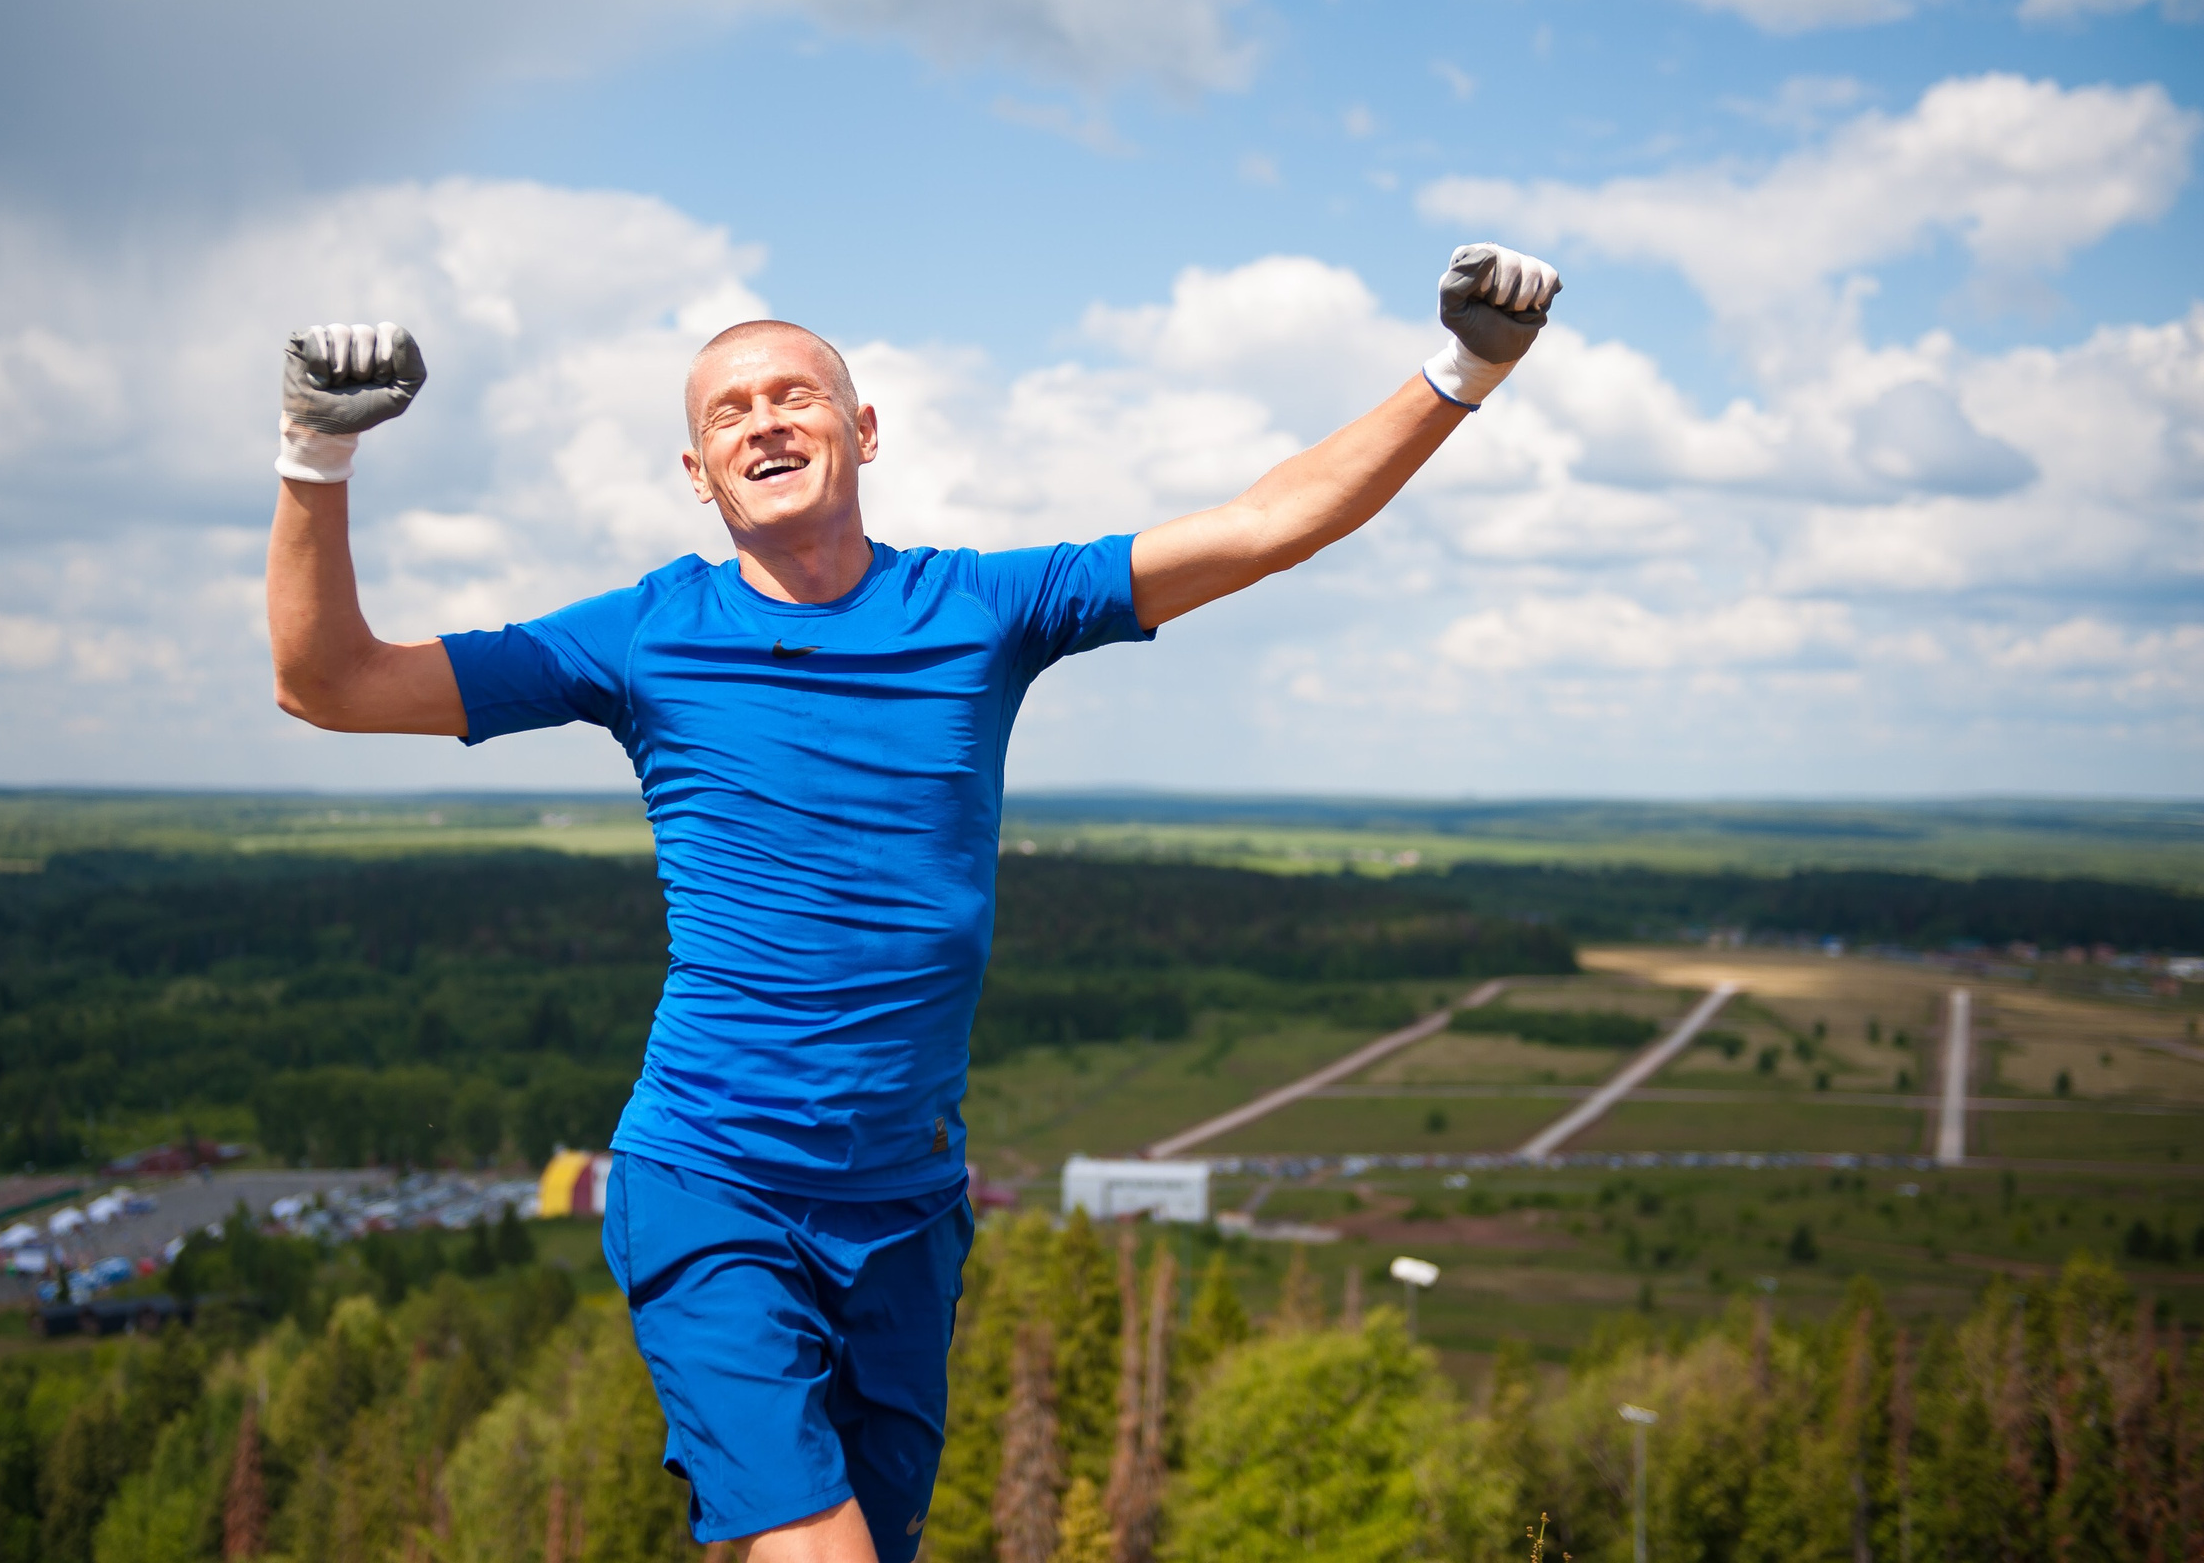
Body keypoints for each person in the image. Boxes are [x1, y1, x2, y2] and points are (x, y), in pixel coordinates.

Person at [263, 243, 1560, 1561]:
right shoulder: (643, 636)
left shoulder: (982, 607)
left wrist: (1464, 369)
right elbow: (334, 683)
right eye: (727, 411)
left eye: (795, 394)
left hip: (908, 1213)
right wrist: (317, 453)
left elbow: (1269, 524)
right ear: (695, 472)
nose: (764, 418)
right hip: (716, 1184)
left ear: (863, 430)